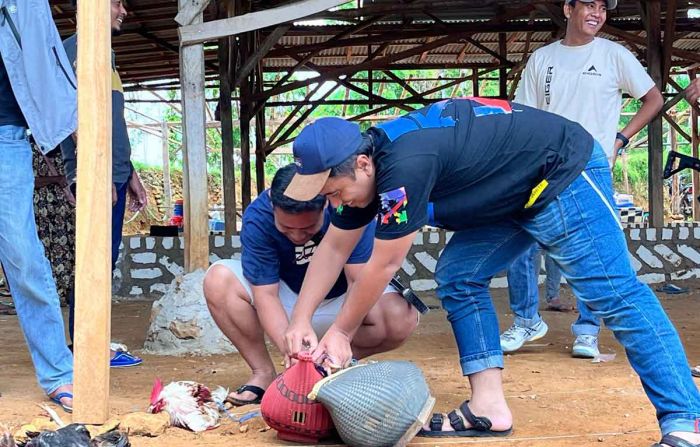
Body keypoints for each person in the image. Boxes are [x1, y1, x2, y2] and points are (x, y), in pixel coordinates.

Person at [282, 103, 700, 446]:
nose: (335, 201)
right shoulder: (362, 173)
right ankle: (488, 408)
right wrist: (300, 319)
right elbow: (335, 246)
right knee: (460, 276)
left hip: (559, 171)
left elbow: (384, 264)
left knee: (614, 293)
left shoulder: (402, 169)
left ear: (361, 164)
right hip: (512, 191)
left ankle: (686, 420)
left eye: (334, 191)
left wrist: (340, 332)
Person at [500, 0, 664, 358]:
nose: (597, 13)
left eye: (603, 8)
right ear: (568, 8)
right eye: (589, 4)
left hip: (592, 168)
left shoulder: (613, 55)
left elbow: (654, 99)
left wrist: (621, 139)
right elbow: (523, 114)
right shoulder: (542, 58)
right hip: (544, 167)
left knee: (593, 250)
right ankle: (526, 320)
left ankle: (587, 330)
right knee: (521, 244)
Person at [203, 164, 418, 406]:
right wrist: (293, 355)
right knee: (217, 280)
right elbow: (266, 296)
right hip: (287, 301)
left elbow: (357, 281)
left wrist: (341, 334)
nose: (296, 236)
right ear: (272, 205)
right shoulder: (258, 217)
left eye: (307, 228)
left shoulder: (349, 207)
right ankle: (264, 373)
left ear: (326, 202)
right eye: (286, 228)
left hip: (340, 302)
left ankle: (328, 366)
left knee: (401, 317)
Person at [60, 0, 147, 368]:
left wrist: (128, 173)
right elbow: (68, 117)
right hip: (95, 170)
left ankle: (90, 342)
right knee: (93, 259)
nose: (123, 11)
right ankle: (86, 346)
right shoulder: (75, 52)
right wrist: (91, 172)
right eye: (116, 3)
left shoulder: (104, 53)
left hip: (111, 170)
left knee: (103, 257)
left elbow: (112, 122)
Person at [0, 0, 76, 412]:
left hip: (5, 136)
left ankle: (59, 373)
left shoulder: (25, 4)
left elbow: (48, 59)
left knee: (22, 254)